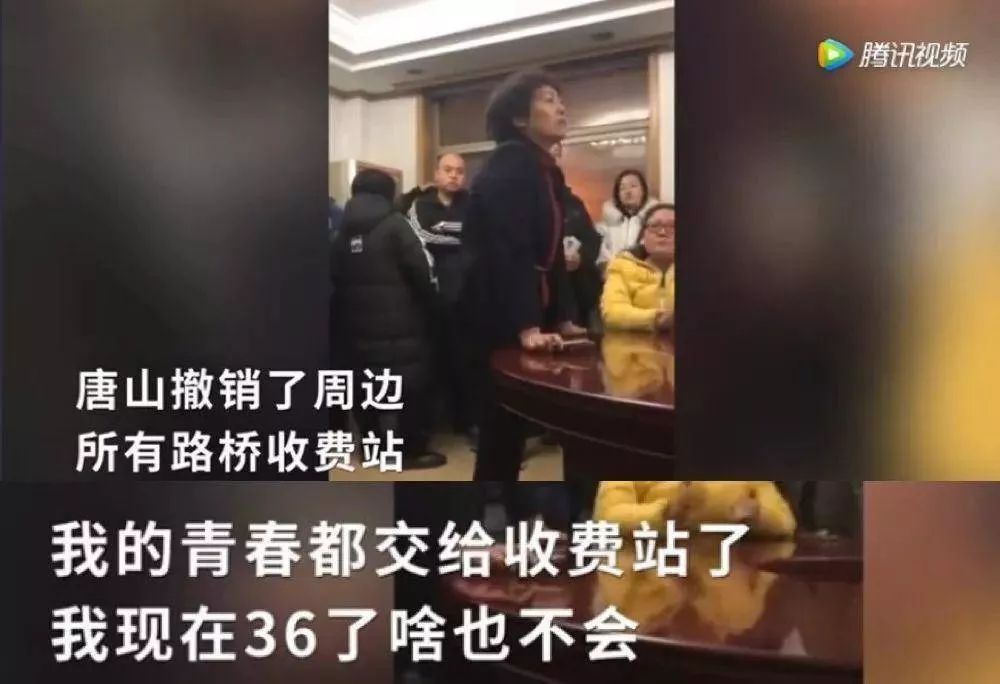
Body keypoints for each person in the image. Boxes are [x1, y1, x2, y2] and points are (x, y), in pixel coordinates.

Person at [461, 70, 587, 481]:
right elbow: (506, 248)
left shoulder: (546, 168)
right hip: (495, 309)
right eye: (548, 100)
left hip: (529, 303)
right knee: (501, 427)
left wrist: (563, 316)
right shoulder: (510, 162)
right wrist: (526, 324)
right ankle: (487, 510)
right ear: (519, 118)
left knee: (516, 425)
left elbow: (552, 251)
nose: (561, 108)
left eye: (560, 100)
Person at [330, 169, 446, 470]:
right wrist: (433, 306)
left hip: (355, 329)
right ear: (387, 193)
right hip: (402, 326)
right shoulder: (396, 225)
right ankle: (409, 451)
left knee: (364, 386)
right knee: (410, 386)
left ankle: (372, 448)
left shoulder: (341, 233)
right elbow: (422, 271)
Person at [399, 153, 479, 443]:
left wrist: (445, 230)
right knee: (433, 360)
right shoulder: (420, 204)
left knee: (468, 361)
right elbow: (421, 237)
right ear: (436, 173)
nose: (454, 175)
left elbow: (480, 237)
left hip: (469, 295)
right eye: (448, 169)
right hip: (432, 295)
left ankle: (469, 422)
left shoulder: (473, 204)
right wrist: (460, 237)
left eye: (459, 171)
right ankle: (433, 426)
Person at [593, 481, 797, 537]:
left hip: (727, 564)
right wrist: (665, 515)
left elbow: (786, 521)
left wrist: (757, 514)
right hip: (656, 564)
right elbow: (606, 517)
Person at [550, 142, 603, 330]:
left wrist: (581, 257)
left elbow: (591, 238)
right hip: (542, 293)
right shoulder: (525, 201)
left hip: (577, 292)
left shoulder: (573, 203)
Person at [601, 202, 675, 331]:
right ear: (643, 234)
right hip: (633, 342)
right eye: (655, 226)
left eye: (672, 226)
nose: (662, 232)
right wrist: (656, 318)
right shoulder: (622, 265)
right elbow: (612, 313)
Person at [596, 169, 660, 271]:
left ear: (644, 190)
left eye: (633, 186)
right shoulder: (604, 226)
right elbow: (601, 257)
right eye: (622, 188)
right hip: (614, 275)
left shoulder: (656, 222)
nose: (628, 191)